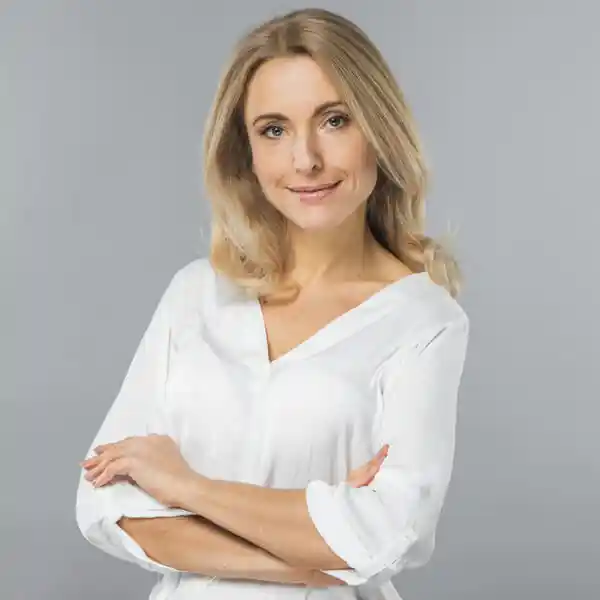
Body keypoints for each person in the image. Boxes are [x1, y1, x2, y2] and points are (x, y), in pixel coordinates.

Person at [76, 7, 470, 600]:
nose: (305, 159)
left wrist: (185, 488)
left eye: (335, 120)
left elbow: (391, 532)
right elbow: (105, 504)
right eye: (274, 130)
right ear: (247, 152)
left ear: (380, 129)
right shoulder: (195, 294)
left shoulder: (424, 322)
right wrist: (306, 554)